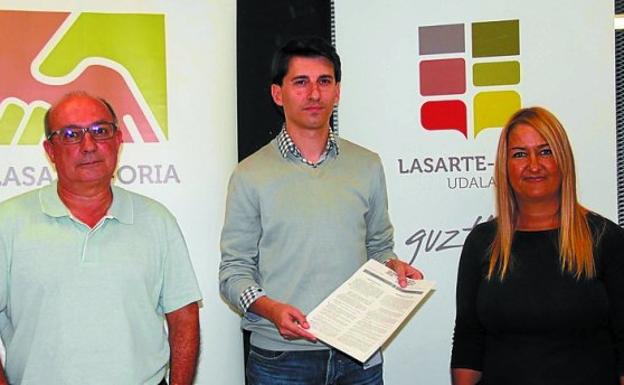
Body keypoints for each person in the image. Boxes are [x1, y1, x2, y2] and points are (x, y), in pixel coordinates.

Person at [219, 37, 423, 384]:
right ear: (277, 94)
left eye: (324, 82)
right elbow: (233, 272)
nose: (314, 94)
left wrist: (394, 268)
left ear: (337, 91)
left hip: (359, 354)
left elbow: (379, 247)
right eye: (301, 82)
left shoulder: (367, 165)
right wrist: (270, 309)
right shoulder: (249, 175)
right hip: (281, 359)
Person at [0, 92, 202, 385]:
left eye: (100, 131)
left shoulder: (157, 220)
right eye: (71, 134)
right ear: (50, 150)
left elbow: (184, 317)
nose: (89, 145)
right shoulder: (8, 222)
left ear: (118, 140)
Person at [451, 106, 624, 385]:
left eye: (545, 151)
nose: (533, 164)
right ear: (505, 167)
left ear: (563, 160)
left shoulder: (606, 239)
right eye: (520, 154)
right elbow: (468, 342)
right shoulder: (482, 243)